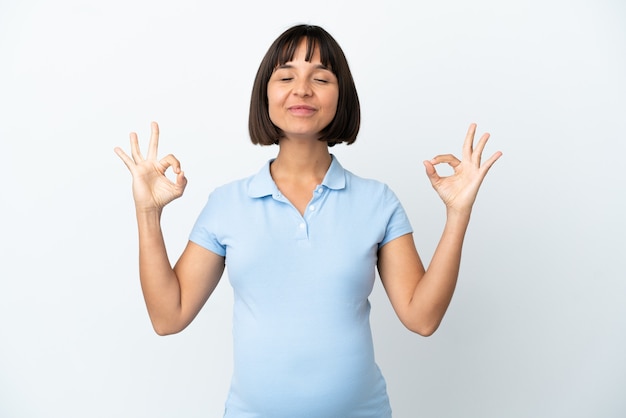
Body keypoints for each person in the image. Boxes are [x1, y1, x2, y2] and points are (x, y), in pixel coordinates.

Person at [114, 24, 501, 418]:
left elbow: (422, 318)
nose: (302, 89)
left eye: (321, 77)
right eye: (286, 77)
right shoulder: (227, 204)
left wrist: (457, 214)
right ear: (265, 94)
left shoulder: (377, 201)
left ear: (342, 96)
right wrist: (148, 213)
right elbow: (168, 316)